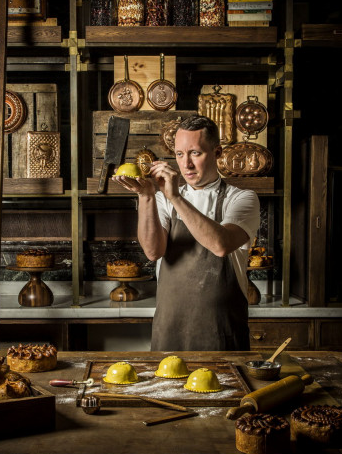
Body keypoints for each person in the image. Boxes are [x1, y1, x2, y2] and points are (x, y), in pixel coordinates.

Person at [111, 115, 260, 351]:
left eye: (195, 153)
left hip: (221, 331)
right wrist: (147, 196)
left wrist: (176, 197)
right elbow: (152, 251)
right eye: (180, 154)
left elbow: (221, 244)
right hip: (170, 328)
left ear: (217, 152)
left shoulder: (241, 199)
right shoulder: (162, 198)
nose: (186, 164)